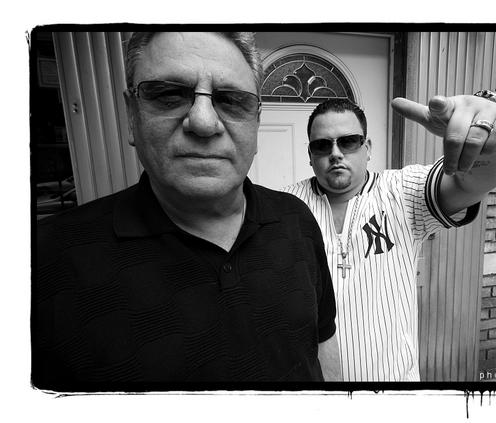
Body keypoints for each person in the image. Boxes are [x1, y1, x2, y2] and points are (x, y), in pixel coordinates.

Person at [32, 32, 340, 391]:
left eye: (231, 100)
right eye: (169, 95)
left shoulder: (296, 220)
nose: (204, 122)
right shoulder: (44, 261)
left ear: (256, 122)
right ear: (131, 114)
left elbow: (321, 342)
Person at [283, 94, 496, 381]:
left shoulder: (402, 193)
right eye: (322, 145)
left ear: (368, 148)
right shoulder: (285, 207)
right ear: (310, 155)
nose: (335, 153)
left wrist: (491, 135)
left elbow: (476, 179)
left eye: (348, 141)